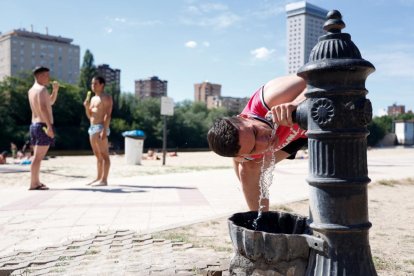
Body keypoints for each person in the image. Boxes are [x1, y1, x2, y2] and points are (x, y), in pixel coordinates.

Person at [207, 75, 308, 211]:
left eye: (255, 131)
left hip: (333, 108)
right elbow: (242, 167)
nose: (265, 142)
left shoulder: (272, 97)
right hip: (301, 136)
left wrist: (298, 103)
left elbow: (321, 77)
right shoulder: (244, 155)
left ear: (243, 117)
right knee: (249, 170)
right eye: (254, 148)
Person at [27, 66, 59, 190]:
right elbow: (43, 108)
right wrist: (49, 127)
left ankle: (36, 182)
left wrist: (55, 90)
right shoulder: (42, 90)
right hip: (42, 125)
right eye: (46, 75)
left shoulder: (32, 90)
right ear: (40, 76)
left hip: (34, 125)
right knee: (37, 157)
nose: (49, 78)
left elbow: (49, 102)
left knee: (37, 157)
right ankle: (33, 183)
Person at [83, 76, 113, 186]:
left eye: (95, 83)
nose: (93, 86)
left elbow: (108, 115)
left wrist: (104, 130)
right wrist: (86, 107)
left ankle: (104, 180)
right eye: (92, 83)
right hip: (92, 128)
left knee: (104, 155)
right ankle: (98, 178)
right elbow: (90, 116)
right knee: (97, 155)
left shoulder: (106, 97)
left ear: (102, 85)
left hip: (101, 127)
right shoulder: (93, 98)